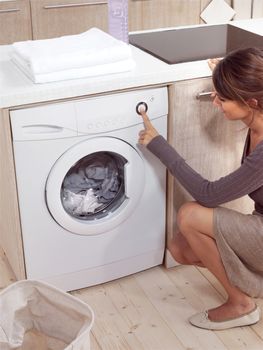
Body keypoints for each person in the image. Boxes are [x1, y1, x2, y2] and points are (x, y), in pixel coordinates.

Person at [138, 47, 263, 330]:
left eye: (222, 98)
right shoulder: (257, 114)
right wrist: (225, 75)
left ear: (251, 101)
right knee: (180, 249)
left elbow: (208, 195)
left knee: (190, 215)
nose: (215, 103)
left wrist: (160, 145)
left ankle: (241, 304)